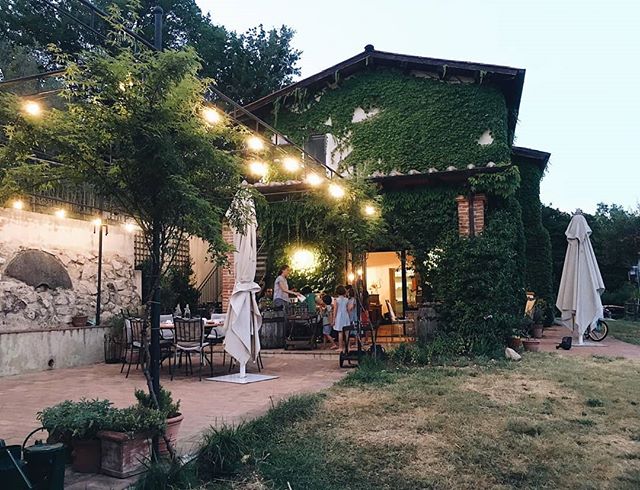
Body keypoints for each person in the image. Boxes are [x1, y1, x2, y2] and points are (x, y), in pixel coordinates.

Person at [331, 285, 354, 351]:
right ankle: (348, 347)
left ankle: (340, 347)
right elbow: (348, 309)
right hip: (346, 316)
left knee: (340, 332)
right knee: (347, 332)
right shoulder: (347, 300)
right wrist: (349, 317)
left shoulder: (336, 300)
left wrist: (333, 320)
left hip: (339, 316)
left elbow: (335, 310)